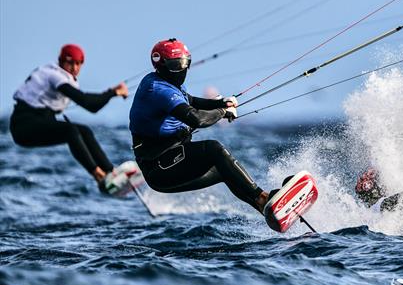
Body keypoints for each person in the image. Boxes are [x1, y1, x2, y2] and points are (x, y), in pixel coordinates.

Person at [128, 38, 272, 218]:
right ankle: (262, 197)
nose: (181, 69)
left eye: (184, 63)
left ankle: (264, 207)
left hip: (171, 158)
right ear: (162, 65)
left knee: (225, 169)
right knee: (214, 149)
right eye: (175, 65)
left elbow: (192, 101)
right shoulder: (157, 89)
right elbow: (196, 119)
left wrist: (220, 102)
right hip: (159, 170)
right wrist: (222, 112)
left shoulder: (169, 83)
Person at [10, 44, 128, 192]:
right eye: (70, 62)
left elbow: (93, 105)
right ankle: (98, 175)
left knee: (84, 131)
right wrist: (113, 92)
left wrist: (111, 92)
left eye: (78, 63)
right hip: (23, 126)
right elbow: (87, 103)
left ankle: (112, 173)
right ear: (61, 61)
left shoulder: (63, 77)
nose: (74, 67)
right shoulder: (54, 75)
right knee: (70, 130)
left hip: (39, 123)